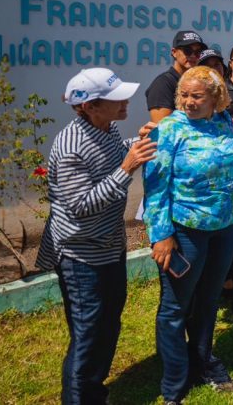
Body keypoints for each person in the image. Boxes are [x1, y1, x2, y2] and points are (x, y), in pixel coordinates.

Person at [36, 68, 155, 405]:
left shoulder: (106, 127)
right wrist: (127, 168)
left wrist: (136, 145)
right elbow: (80, 206)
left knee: (107, 323)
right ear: (89, 106)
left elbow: (113, 154)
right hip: (80, 256)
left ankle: (93, 391)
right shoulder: (70, 146)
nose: (126, 101)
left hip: (109, 247)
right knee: (88, 334)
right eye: (116, 98)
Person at [143, 66, 233, 400]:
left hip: (225, 228)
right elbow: (155, 185)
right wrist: (161, 234)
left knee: (208, 300)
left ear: (215, 97)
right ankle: (174, 383)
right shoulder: (169, 129)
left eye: (197, 96)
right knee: (175, 308)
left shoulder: (224, 121)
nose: (188, 102)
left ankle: (203, 360)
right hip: (187, 231)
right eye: (184, 95)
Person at [145, 30, 206, 123]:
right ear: (174, 52)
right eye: (188, 51)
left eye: (198, 52)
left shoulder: (199, 82)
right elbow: (163, 127)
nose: (193, 55)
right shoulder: (162, 84)